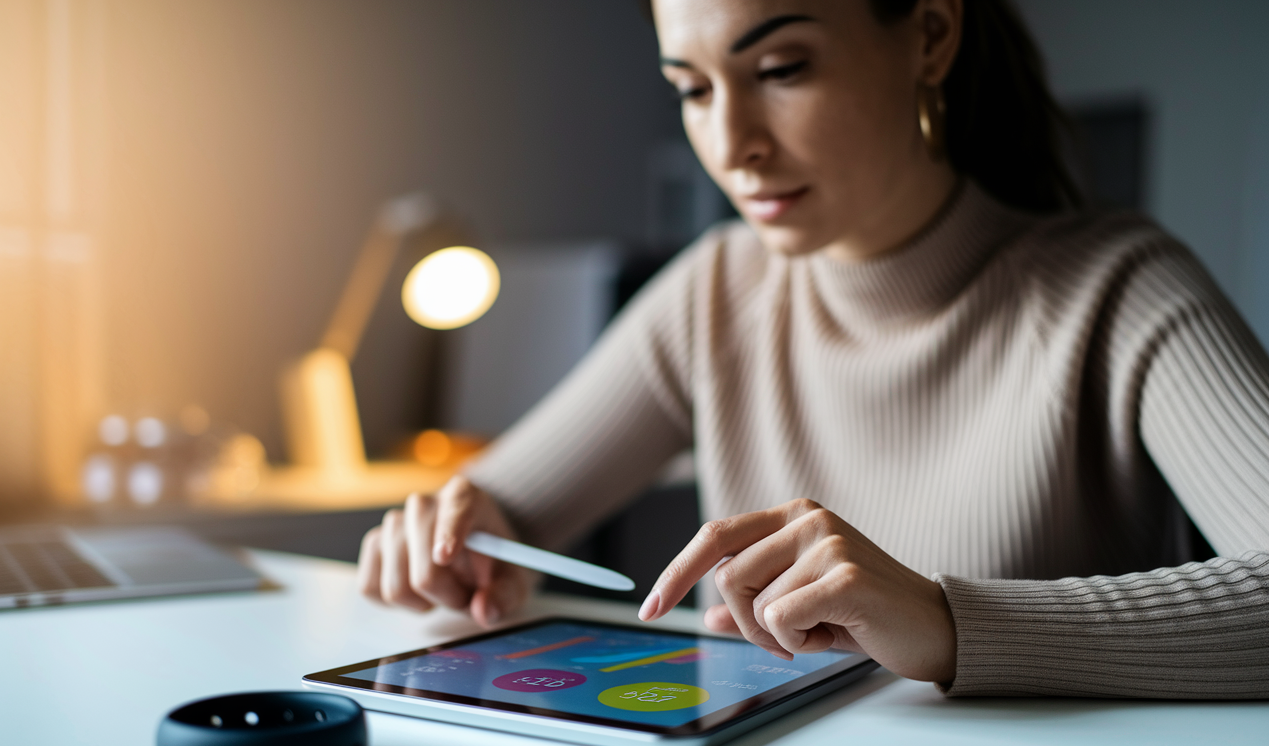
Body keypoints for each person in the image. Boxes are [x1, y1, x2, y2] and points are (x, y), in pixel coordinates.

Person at [358, 0, 1269, 697]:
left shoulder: (1125, 290)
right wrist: (450, 543)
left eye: (782, 68)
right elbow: (497, 519)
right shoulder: (716, 288)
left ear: (931, 36)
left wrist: (953, 623)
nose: (732, 145)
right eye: (692, 89)